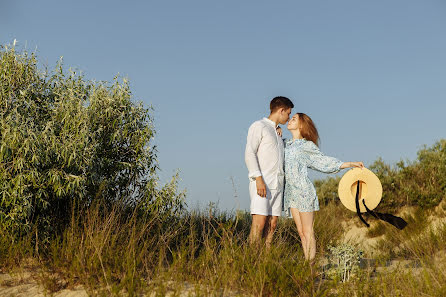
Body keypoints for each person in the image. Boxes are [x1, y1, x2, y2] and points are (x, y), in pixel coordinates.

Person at [283, 113, 364, 261]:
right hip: (290, 192)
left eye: (293, 119)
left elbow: (323, 162)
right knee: (301, 232)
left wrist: (348, 164)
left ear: (301, 125)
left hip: (303, 191)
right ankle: (307, 263)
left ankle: (310, 267)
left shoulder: (307, 145)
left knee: (308, 231)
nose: (289, 120)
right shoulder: (285, 143)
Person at [245, 96, 294, 246]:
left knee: (272, 226)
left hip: (277, 185)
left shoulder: (277, 132)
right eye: (288, 113)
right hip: (262, 184)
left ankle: (266, 261)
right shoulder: (259, 126)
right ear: (281, 110)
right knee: (259, 223)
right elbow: (249, 153)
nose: (289, 117)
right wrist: (258, 179)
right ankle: (250, 260)